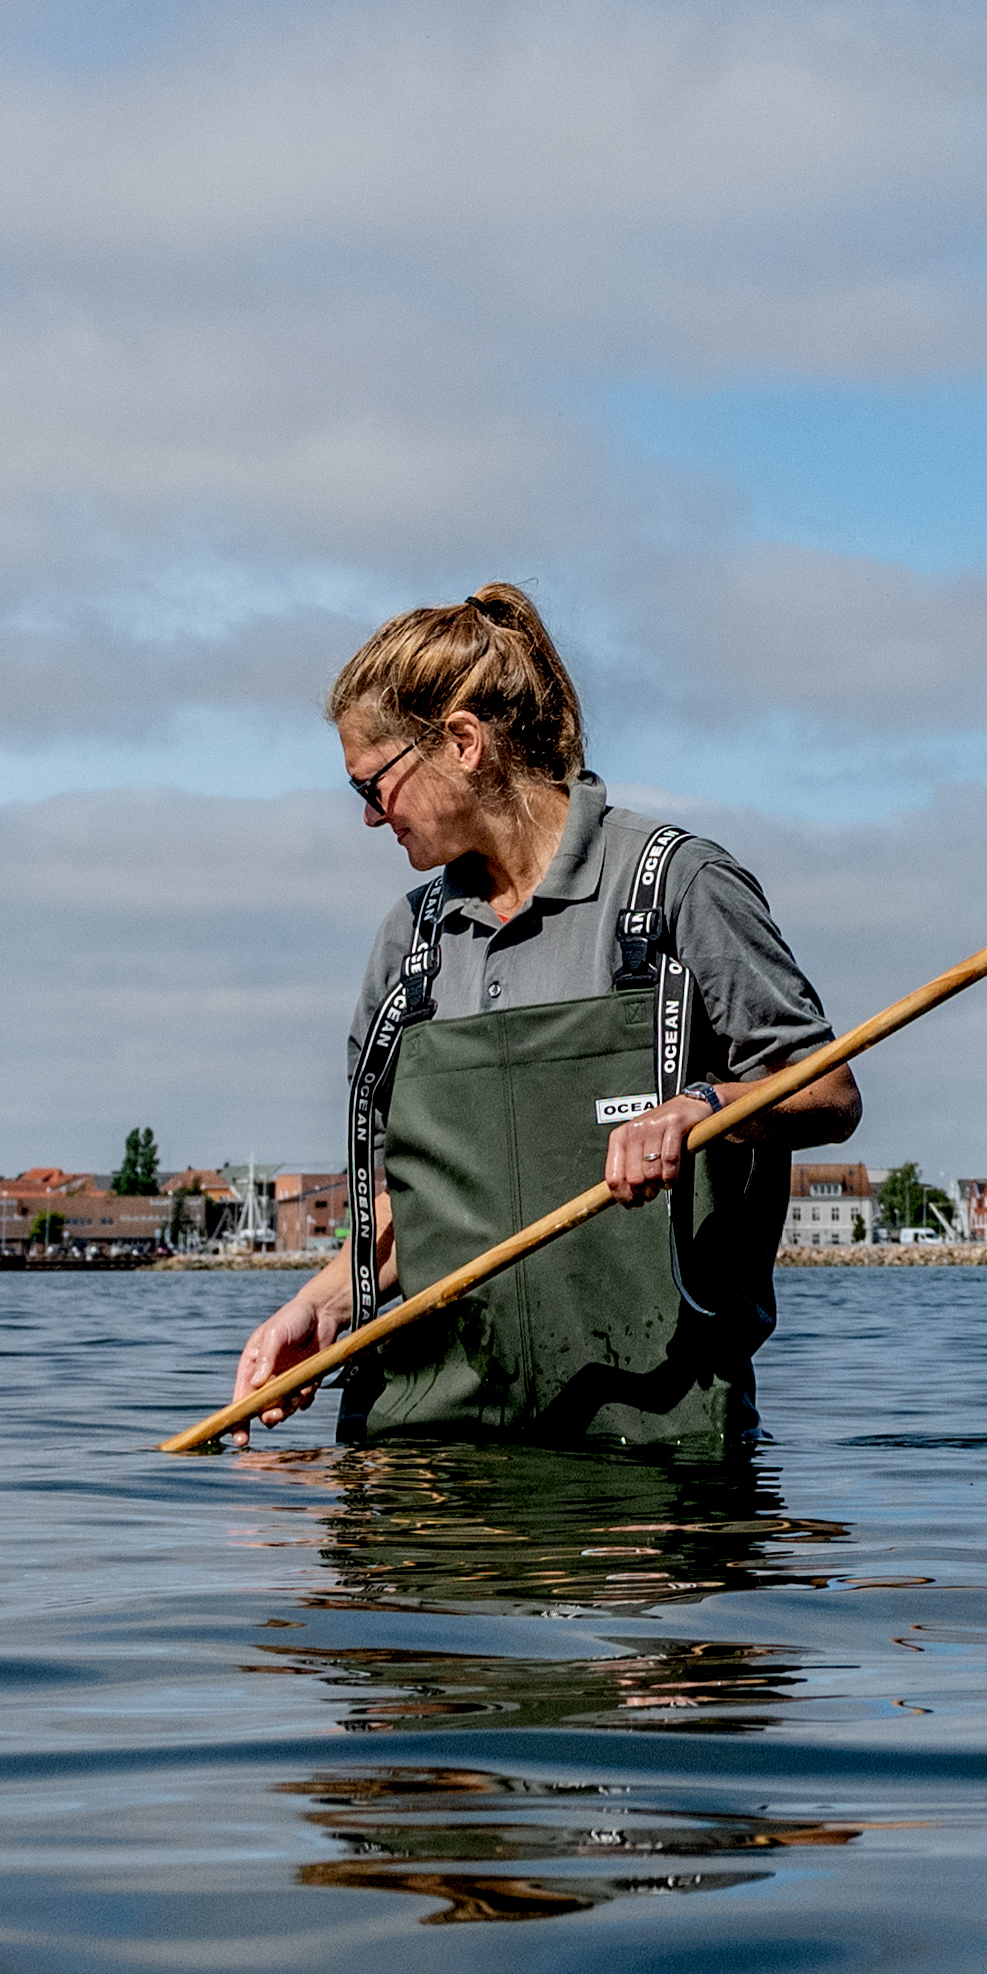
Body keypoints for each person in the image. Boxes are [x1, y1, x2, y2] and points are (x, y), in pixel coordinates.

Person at [226, 583, 850, 1456]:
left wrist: (704, 1107)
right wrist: (319, 1306)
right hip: (433, 1462)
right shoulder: (407, 944)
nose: (370, 816)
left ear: (463, 742)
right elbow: (415, 1206)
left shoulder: (680, 886)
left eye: (374, 784)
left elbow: (828, 1088)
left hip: (658, 1457)